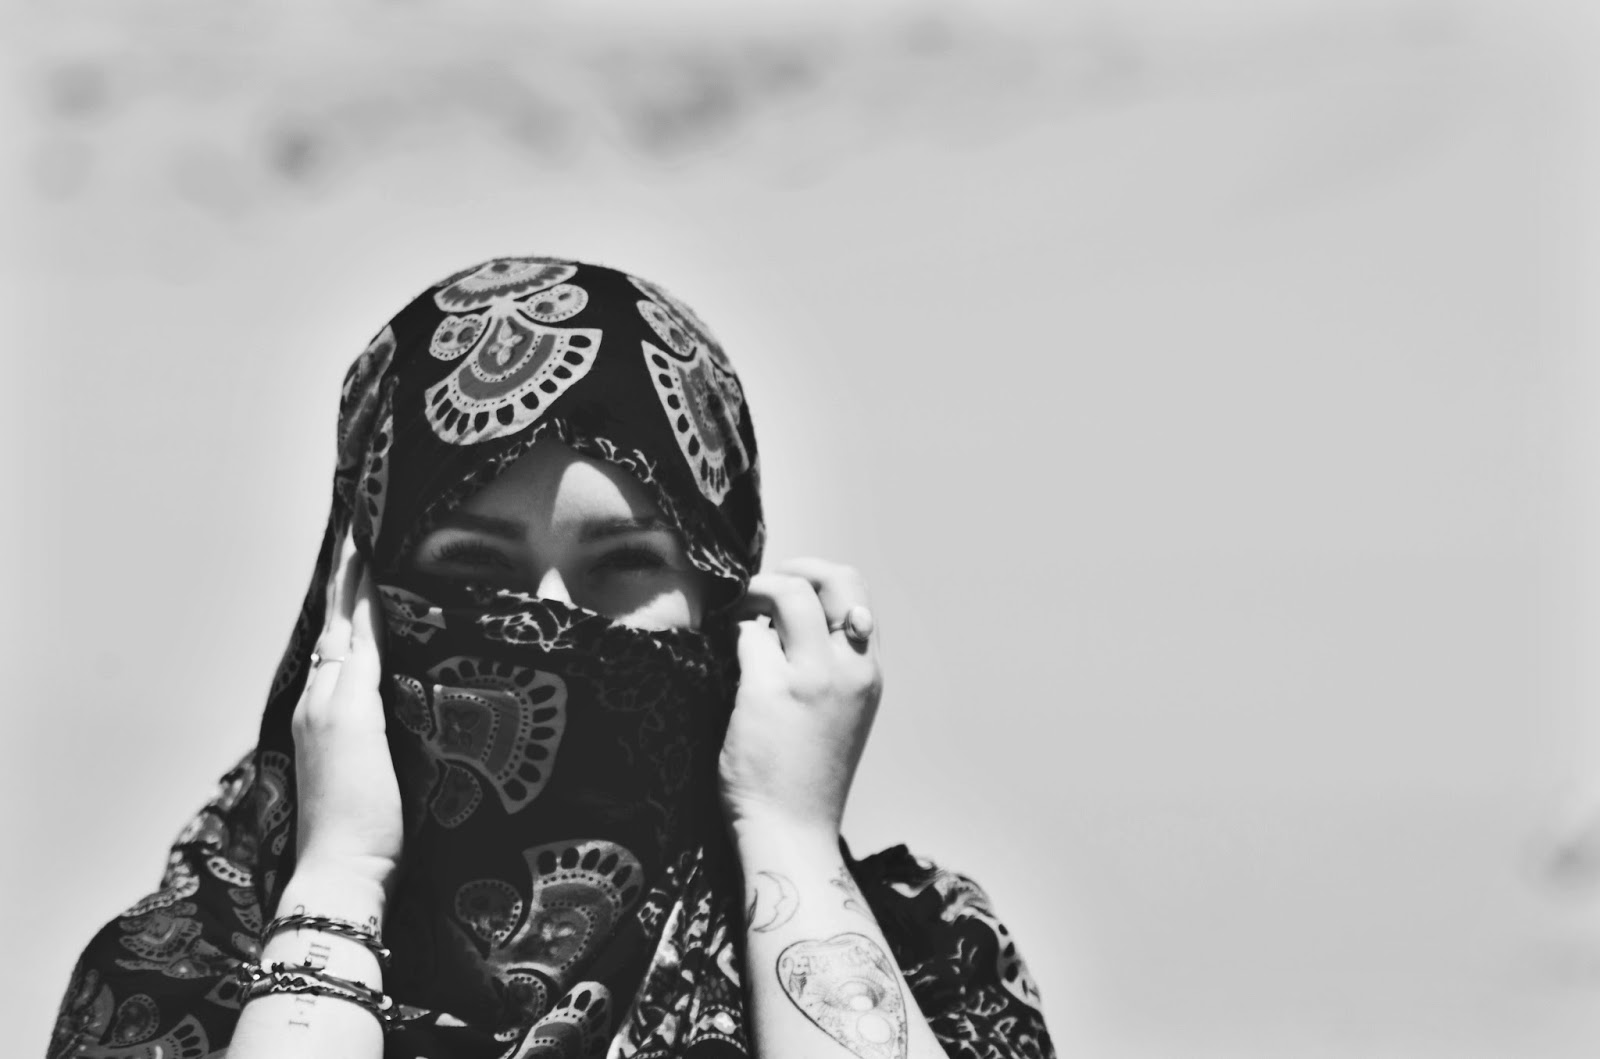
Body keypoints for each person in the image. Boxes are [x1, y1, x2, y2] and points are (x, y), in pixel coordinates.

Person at [50, 257, 1054, 1059]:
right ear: (359, 600)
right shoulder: (180, 978)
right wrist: (340, 877)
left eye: (622, 564)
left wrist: (788, 837)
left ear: (723, 596)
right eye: (475, 567)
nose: (547, 618)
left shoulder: (922, 961)